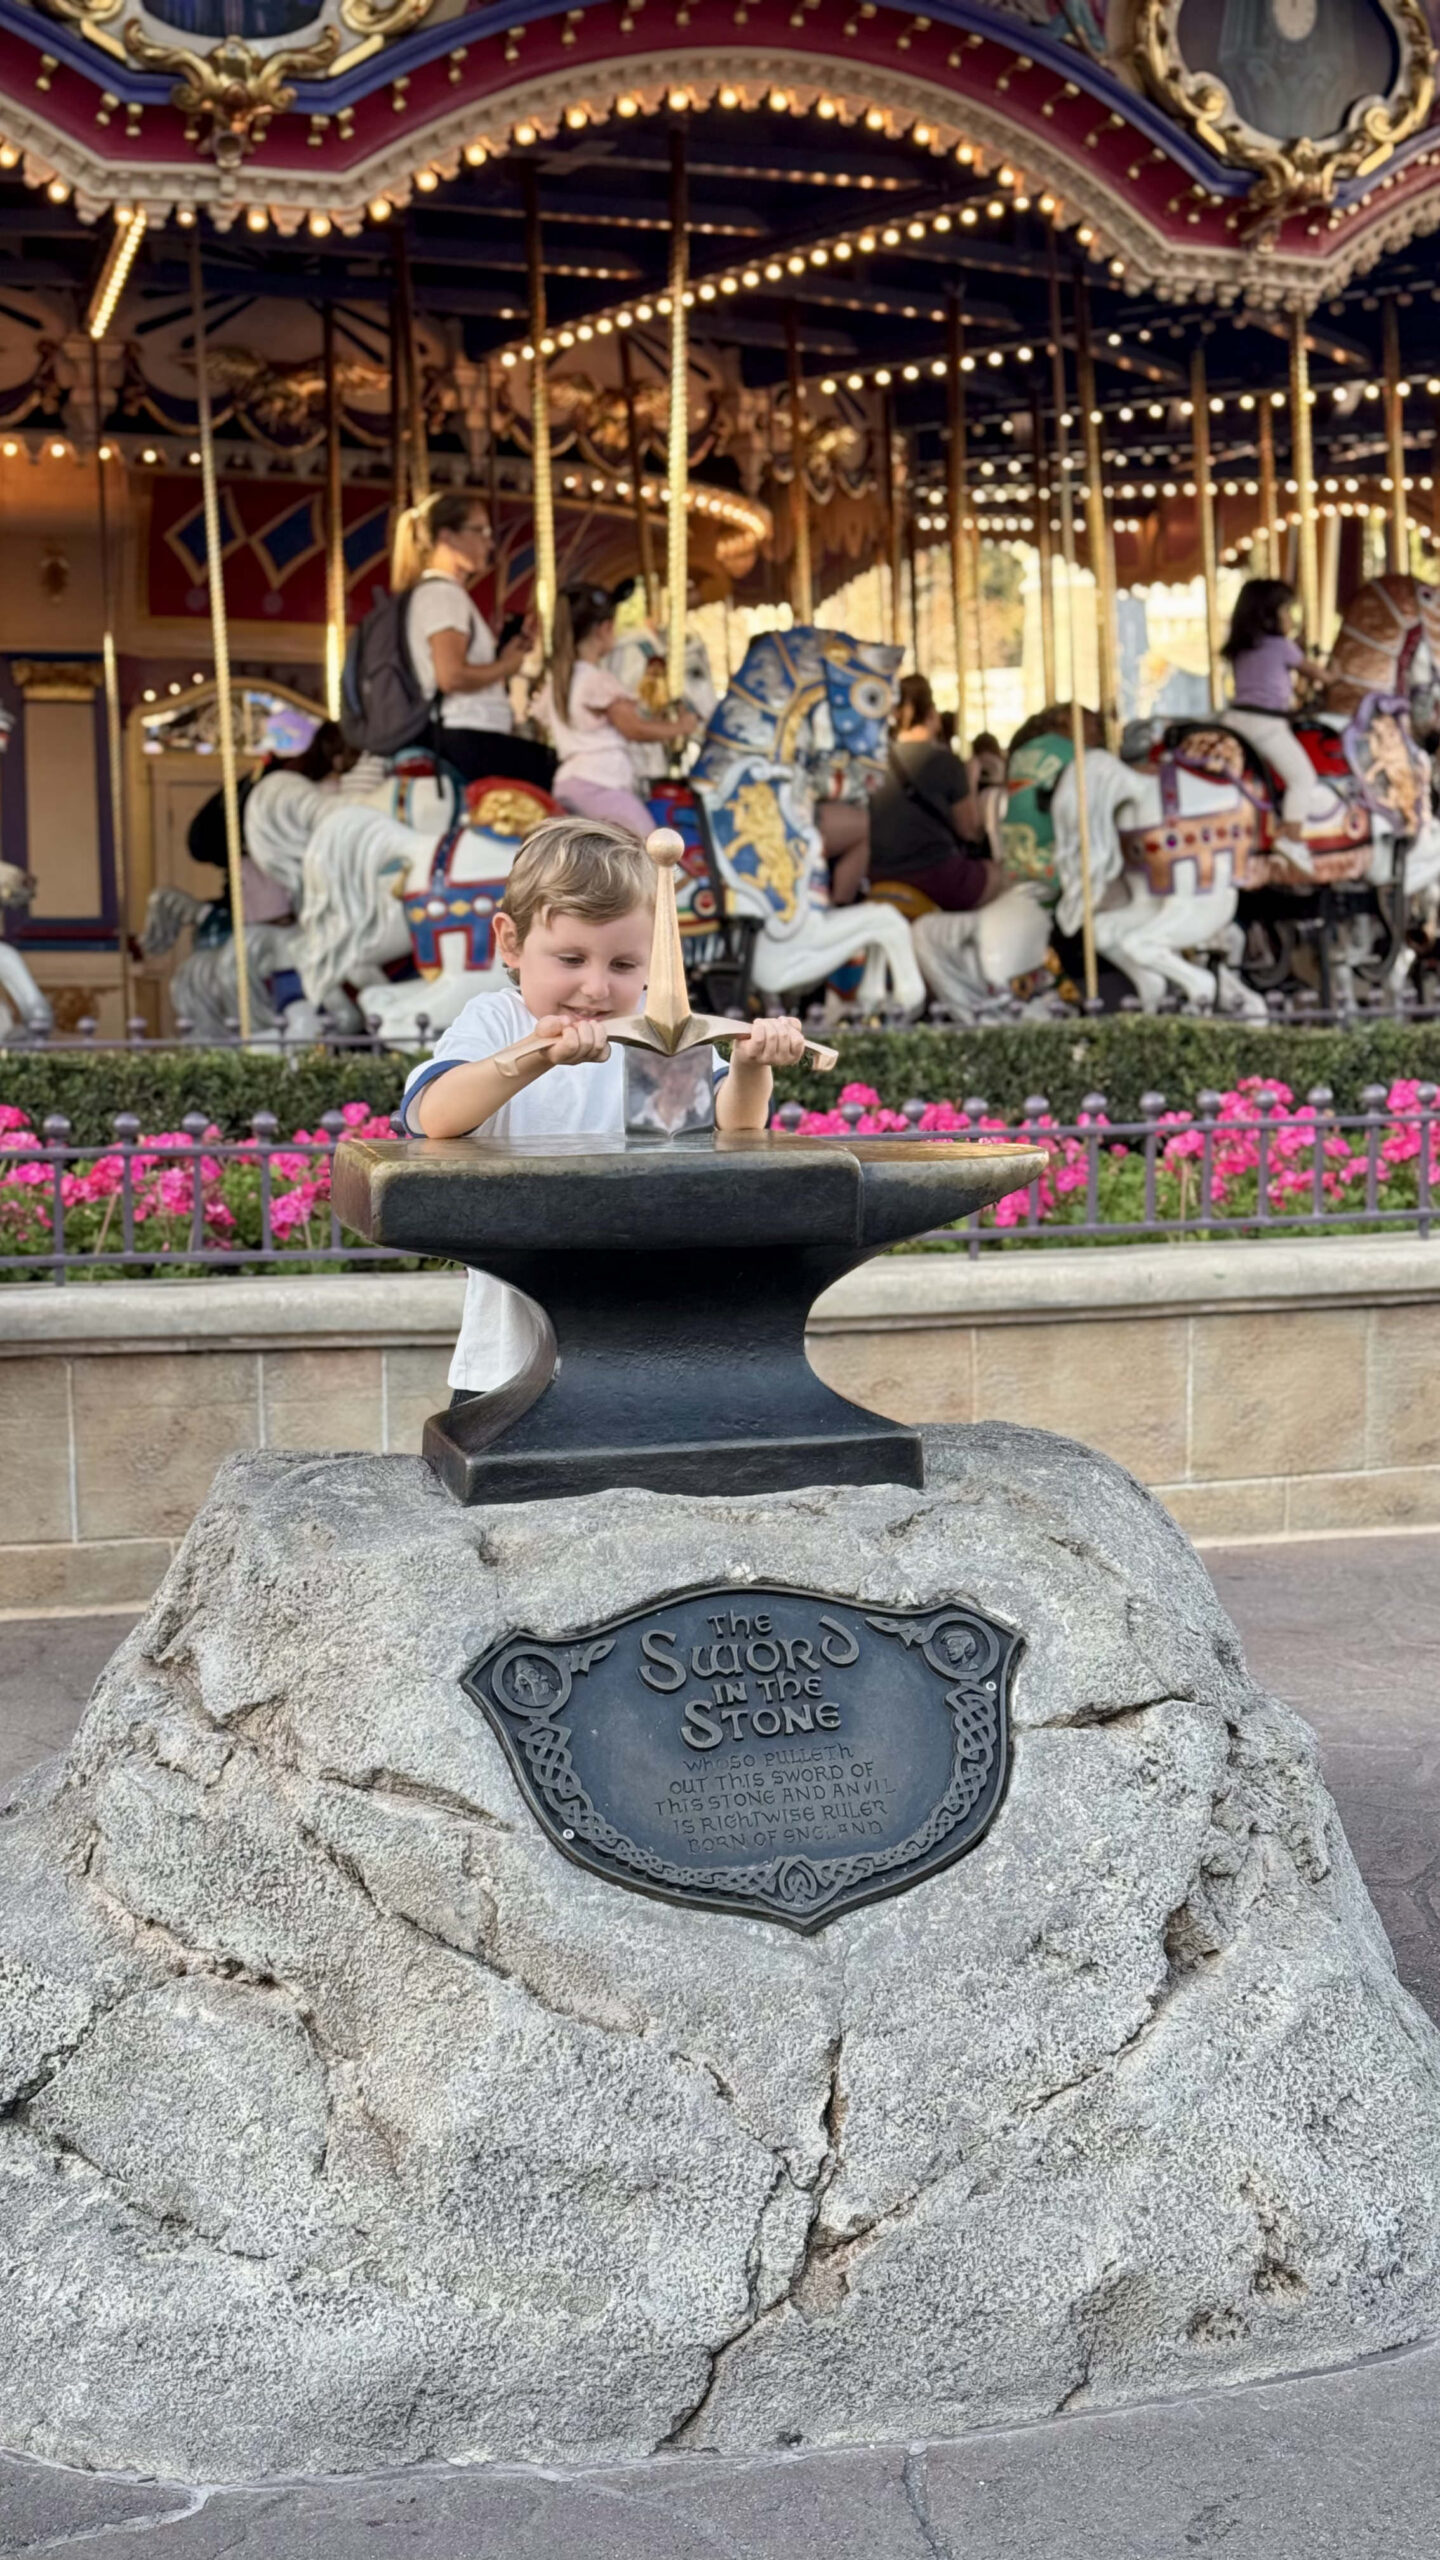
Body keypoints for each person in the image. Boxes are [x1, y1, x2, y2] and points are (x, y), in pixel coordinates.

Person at [399, 816, 806, 1393]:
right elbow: (435, 1116)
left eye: (623, 966)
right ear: (511, 943)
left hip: (646, 1340)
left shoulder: (654, 1040)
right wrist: (540, 1053)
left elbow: (732, 1125)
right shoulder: (497, 1022)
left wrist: (750, 1064)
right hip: (511, 1357)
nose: (596, 988)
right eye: (571, 959)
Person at [390, 492, 554, 790]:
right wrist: (505, 665)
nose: (489, 543)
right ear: (447, 537)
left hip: (465, 733)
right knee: (554, 774)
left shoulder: (439, 593)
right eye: (481, 531)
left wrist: (504, 656)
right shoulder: (443, 594)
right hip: (465, 735)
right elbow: (451, 677)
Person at [532, 585, 697, 840]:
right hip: (599, 783)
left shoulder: (559, 682)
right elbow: (633, 729)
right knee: (650, 851)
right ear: (604, 628)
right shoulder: (597, 681)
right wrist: (681, 727)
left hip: (572, 782)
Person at [866, 675, 1010, 911]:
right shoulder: (946, 762)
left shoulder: (876, 761)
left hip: (879, 874)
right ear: (932, 714)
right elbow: (970, 830)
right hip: (935, 875)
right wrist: (971, 780)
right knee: (1001, 875)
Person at [1222, 578, 1329, 857]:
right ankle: (1291, 839)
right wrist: (1337, 674)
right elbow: (1319, 675)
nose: (1291, 619)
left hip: (1234, 721)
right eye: (1287, 611)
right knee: (1303, 778)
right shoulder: (1281, 647)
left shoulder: (1242, 646)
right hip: (1265, 725)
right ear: (1270, 615)